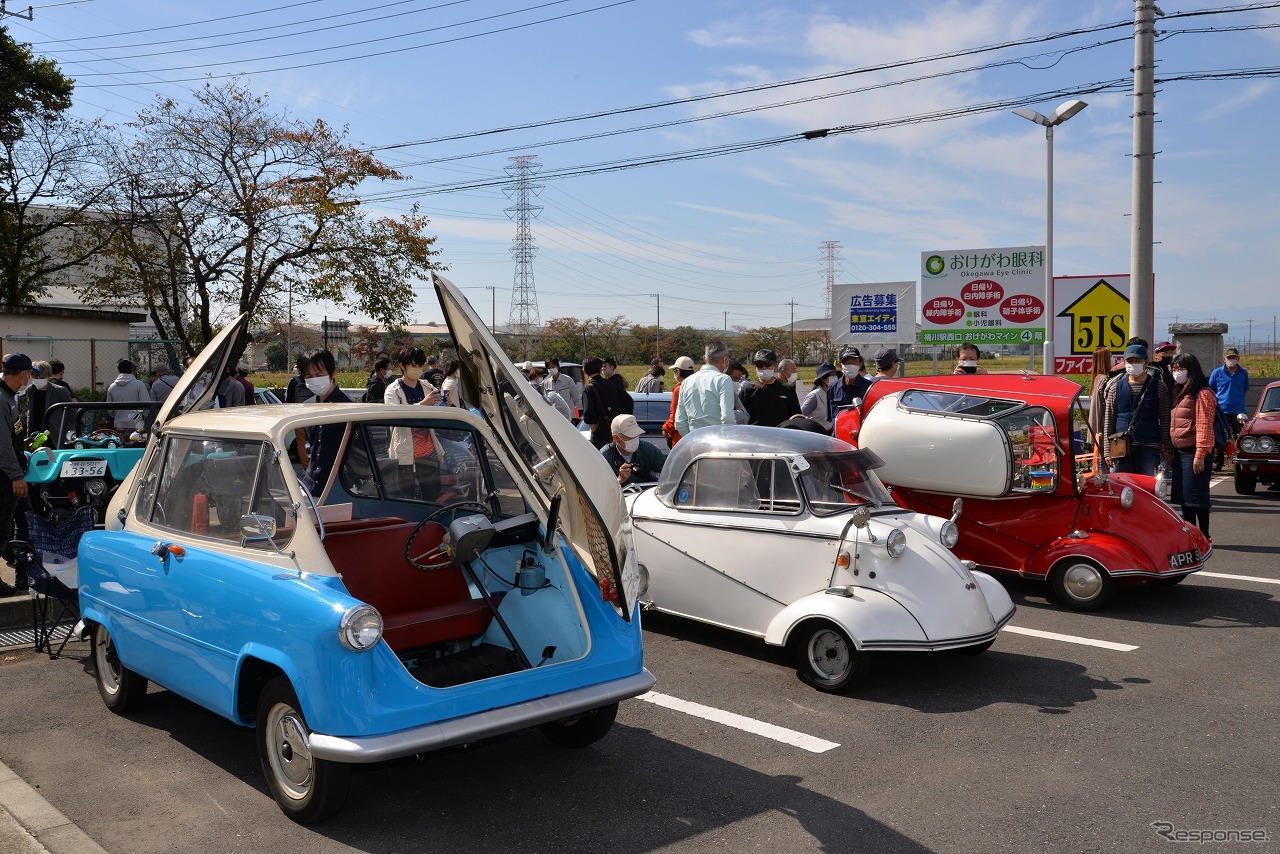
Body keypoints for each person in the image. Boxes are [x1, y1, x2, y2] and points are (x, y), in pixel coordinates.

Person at [1103, 344, 1171, 477]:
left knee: (1147, 486)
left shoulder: (1159, 386)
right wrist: (1107, 451)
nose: (1133, 364)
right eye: (1130, 361)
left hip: (1149, 445)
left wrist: (1167, 447)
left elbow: (1165, 419)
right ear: (1124, 362)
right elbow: (1109, 419)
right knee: (1123, 485)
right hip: (1120, 446)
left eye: (1137, 360)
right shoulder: (1115, 387)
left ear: (1146, 362)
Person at [1169, 353, 1216, 539]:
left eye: (1180, 369)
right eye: (1174, 369)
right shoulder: (1178, 391)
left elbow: (1204, 425)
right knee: (1184, 497)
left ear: (1192, 369)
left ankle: (1204, 535)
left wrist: (1200, 454)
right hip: (1180, 451)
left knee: (1197, 497)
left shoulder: (1202, 393)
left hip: (1194, 451)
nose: (1176, 373)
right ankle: (1191, 534)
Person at [0, 354, 33, 595]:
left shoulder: (10, 397)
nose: (30, 378)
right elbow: (1, 444)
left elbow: (12, 435)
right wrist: (15, 476)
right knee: (2, 526)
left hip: (11, 472)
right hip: (5, 476)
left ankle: (25, 574)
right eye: (29, 374)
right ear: (22, 373)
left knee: (22, 520)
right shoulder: (2, 399)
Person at [300, 349, 354, 496]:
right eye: (309, 376)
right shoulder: (307, 406)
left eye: (319, 375)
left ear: (333, 373)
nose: (314, 380)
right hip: (309, 485)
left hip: (340, 487)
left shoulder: (349, 407)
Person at [674, 341, 736, 437]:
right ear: (725, 360)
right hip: (718, 441)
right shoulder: (723, 379)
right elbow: (727, 418)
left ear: (704, 358)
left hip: (695, 442)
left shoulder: (687, 382)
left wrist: (692, 439)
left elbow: (679, 422)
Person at [1208, 347, 1249, 471]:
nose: (1232, 360)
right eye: (1229, 358)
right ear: (1224, 359)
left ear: (1238, 358)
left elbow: (1245, 388)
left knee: (1241, 436)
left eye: (1234, 357)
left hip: (1239, 410)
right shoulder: (1217, 373)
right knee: (1219, 436)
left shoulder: (1243, 373)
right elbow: (1211, 389)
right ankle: (1217, 462)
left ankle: (1241, 460)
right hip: (1221, 410)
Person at [582, 357, 633, 448]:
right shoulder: (613, 384)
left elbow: (589, 415)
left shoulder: (589, 389)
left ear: (585, 371)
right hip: (618, 431)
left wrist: (594, 433)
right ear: (600, 369)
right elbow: (629, 401)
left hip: (600, 434)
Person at [741, 349, 800, 427]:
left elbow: (796, 416)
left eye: (767, 364)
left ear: (775, 366)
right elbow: (740, 418)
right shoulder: (747, 390)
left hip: (781, 435)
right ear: (755, 367)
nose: (763, 368)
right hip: (755, 436)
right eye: (759, 365)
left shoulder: (787, 390)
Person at [601, 414, 665, 486]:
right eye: (630, 437)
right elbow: (598, 487)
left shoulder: (647, 449)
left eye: (636, 435)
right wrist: (619, 480)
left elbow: (667, 469)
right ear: (616, 438)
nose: (634, 440)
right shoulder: (604, 456)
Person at [1085, 347, 1119, 457]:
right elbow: (1098, 409)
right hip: (1104, 430)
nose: (1113, 359)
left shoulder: (1098, 378)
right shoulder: (1104, 379)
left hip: (1100, 431)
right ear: (1105, 359)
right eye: (1110, 356)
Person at [26, 361, 72, 436]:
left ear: (48, 376)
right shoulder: (30, 390)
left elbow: (72, 414)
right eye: (35, 377)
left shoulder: (60, 391)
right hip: (35, 434)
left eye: (41, 377)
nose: (38, 380)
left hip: (55, 435)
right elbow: (30, 413)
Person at [105, 358, 151, 431]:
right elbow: (146, 405)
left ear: (118, 371)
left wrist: (118, 415)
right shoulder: (139, 384)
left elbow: (110, 410)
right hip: (137, 423)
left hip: (119, 423)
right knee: (137, 441)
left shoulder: (112, 387)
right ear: (132, 370)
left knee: (120, 441)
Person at [828, 346, 872, 422]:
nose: (851, 366)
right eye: (847, 363)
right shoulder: (833, 388)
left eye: (854, 363)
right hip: (841, 430)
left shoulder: (869, 388)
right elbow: (830, 417)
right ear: (840, 365)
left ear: (860, 364)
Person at [661, 355, 697, 447]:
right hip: (697, 433)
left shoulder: (679, 389)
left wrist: (666, 429)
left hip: (681, 437)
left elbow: (675, 414)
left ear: (678, 372)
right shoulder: (698, 386)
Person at [800, 362, 839, 432]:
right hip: (815, 433)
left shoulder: (836, 393)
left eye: (835, 374)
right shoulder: (814, 396)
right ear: (823, 379)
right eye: (831, 375)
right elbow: (801, 415)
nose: (834, 377)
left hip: (830, 432)